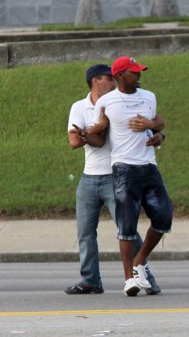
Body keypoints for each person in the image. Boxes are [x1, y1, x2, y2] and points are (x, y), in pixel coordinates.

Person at [65, 64, 164, 295]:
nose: (113, 82)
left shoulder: (119, 103)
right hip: (89, 177)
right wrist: (90, 132)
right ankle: (90, 281)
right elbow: (74, 142)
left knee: (128, 230)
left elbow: (150, 127)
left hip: (117, 176)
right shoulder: (79, 107)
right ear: (95, 81)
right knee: (85, 232)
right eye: (109, 78)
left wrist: (159, 135)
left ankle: (146, 278)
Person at [87, 56, 173, 297]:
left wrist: (157, 134)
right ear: (120, 76)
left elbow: (157, 124)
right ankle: (129, 280)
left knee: (164, 217)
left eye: (139, 71)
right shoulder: (106, 102)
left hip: (149, 166)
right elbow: (99, 137)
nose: (139, 75)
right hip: (124, 169)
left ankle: (139, 261)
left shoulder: (149, 96)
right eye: (134, 72)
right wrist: (84, 135)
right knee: (126, 227)